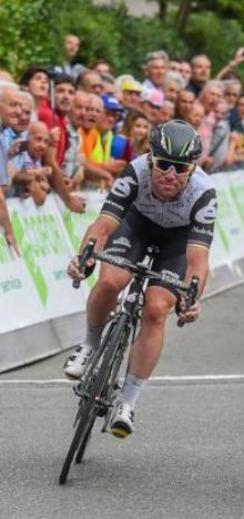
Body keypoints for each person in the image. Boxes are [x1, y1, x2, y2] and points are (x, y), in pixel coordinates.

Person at [64, 120, 217, 438]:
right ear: (150, 159)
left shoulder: (205, 194)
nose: (170, 175)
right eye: (163, 164)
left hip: (177, 241)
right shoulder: (135, 172)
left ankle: (128, 401)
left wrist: (192, 298)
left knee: (157, 307)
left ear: (192, 169)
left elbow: (198, 260)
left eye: (180, 168)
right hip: (135, 226)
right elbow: (103, 226)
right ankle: (89, 344)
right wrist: (85, 257)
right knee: (110, 281)